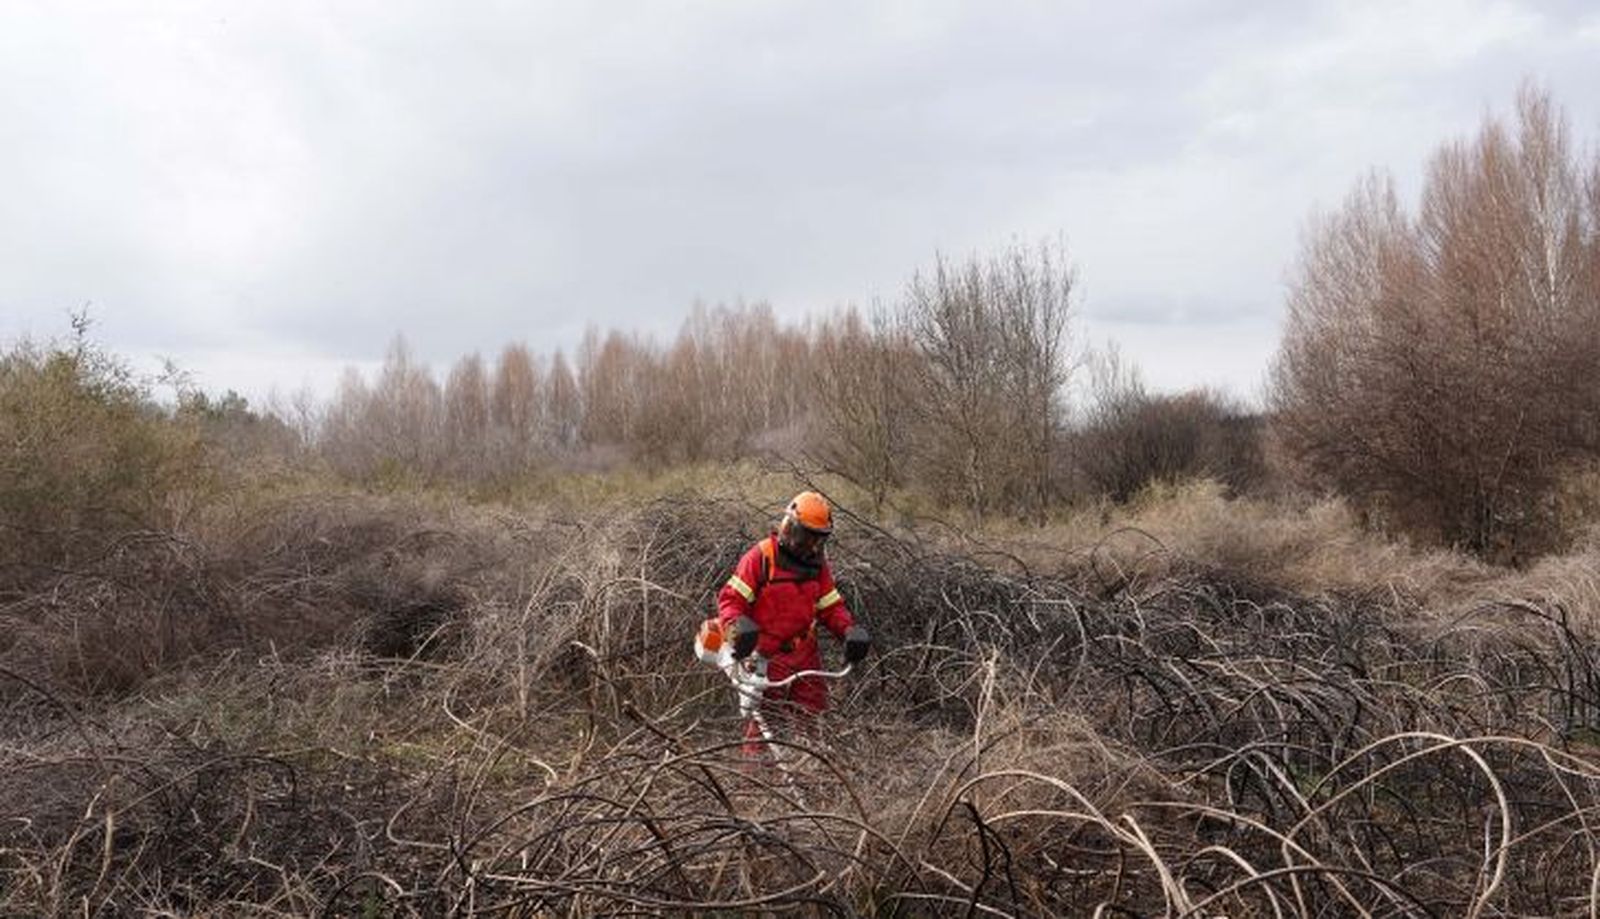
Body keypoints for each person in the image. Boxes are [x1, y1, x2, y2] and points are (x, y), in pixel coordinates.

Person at [717, 491, 871, 752]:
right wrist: (738, 628)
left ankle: (809, 780)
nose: (811, 545)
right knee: (763, 732)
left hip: (805, 656)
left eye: (817, 539)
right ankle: (752, 788)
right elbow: (731, 601)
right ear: (789, 527)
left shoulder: (818, 566)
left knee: (813, 727)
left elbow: (831, 606)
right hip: (766, 659)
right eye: (807, 537)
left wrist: (849, 631)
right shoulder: (761, 558)